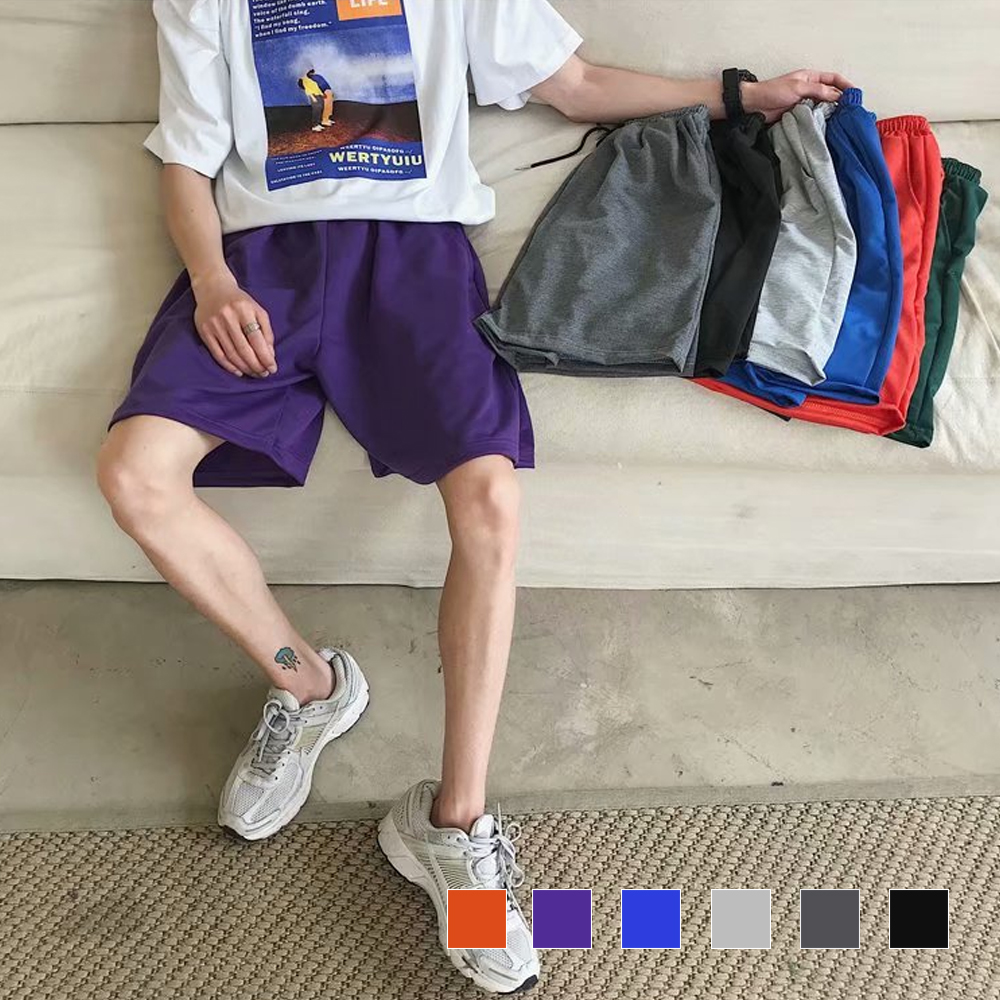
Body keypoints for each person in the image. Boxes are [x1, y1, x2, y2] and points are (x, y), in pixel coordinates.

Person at [97, 0, 849, 993]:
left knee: (490, 500)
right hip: (262, 264)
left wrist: (739, 97)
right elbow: (186, 161)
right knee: (134, 474)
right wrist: (209, 282)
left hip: (413, 262)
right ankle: (307, 685)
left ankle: (452, 823)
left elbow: (576, 85)